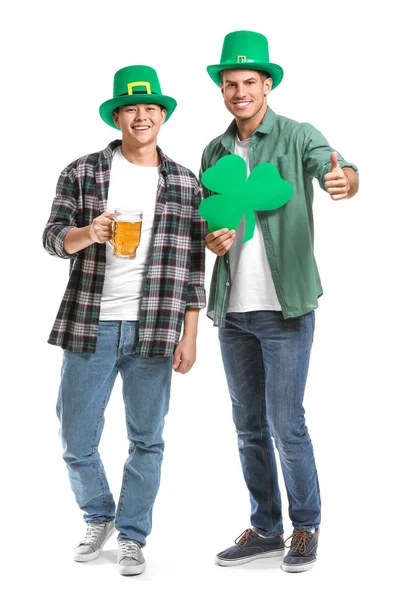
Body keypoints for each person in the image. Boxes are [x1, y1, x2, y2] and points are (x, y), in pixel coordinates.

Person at [200, 30, 358, 573]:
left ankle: (305, 526)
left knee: (286, 423)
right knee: (247, 426)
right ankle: (266, 528)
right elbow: (212, 221)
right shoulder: (215, 150)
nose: (239, 91)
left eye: (249, 81)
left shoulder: (296, 136)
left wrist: (344, 181)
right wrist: (211, 239)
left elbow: (337, 169)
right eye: (230, 83)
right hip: (233, 311)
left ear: (267, 84)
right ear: (222, 90)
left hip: (285, 308)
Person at [43, 65, 206, 576]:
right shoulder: (82, 172)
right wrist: (88, 233)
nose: (141, 116)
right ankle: (99, 515)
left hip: (155, 327)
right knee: (75, 437)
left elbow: (194, 266)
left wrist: (190, 333)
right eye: (131, 108)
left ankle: (133, 534)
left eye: (150, 108)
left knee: (147, 438)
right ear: (117, 115)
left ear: (163, 115)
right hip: (91, 322)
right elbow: (51, 238)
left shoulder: (184, 182)